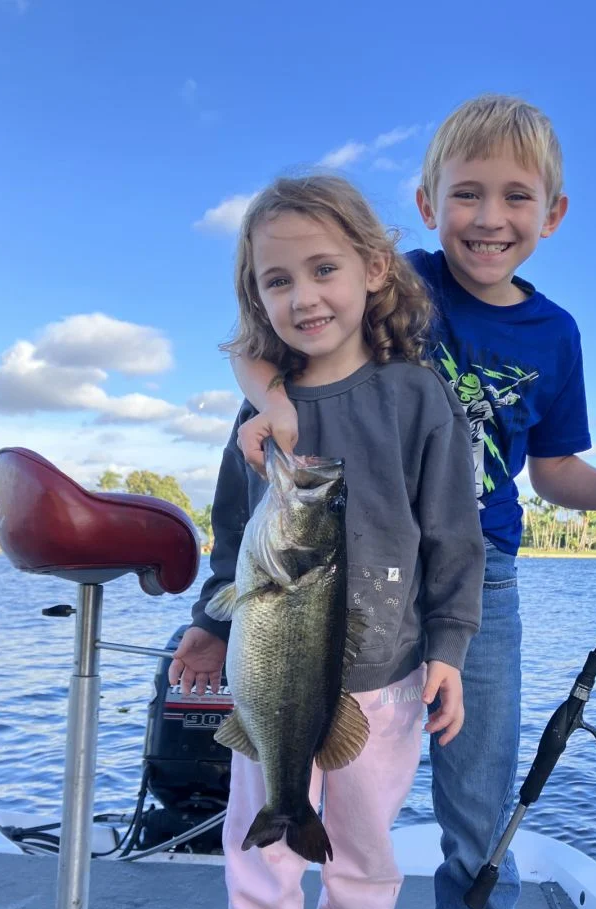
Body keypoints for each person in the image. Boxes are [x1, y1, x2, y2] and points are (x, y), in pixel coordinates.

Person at [230, 95, 596, 909]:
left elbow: (555, 470)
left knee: (479, 784)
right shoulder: (393, 277)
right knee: (333, 749)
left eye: (516, 196)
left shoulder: (556, 334)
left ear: (552, 214)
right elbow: (262, 336)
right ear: (427, 207)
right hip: (360, 554)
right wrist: (271, 398)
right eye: (467, 194)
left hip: (482, 572)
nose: (490, 218)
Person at [168, 173, 485, 909]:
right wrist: (211, 623)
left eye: (323, 270)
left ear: (374, 270)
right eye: (278, 281)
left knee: (368, 848)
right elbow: (233, 535)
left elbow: (453, 536)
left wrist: (449, 649)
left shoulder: (416, 397)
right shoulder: (259, 408)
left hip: (388, 677)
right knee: (259, 841)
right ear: (258, 297)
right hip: (268, 681)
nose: (303, 297)